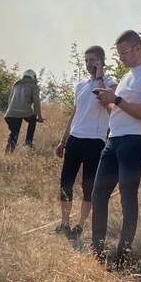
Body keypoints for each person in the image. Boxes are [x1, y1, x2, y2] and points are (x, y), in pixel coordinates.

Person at [90, 30, 141, 266]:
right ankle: (98, 252)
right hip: (114, 140)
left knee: (127, 198)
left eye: (124, 52)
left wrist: (117, 100)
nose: (121, 57)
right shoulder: (126, 77)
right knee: (98, 194)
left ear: (138, 48)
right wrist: (108, 100)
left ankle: (123, 255)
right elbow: (118, 109)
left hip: (134, 141)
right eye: (119, 53)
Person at [55, 46, 116, 238]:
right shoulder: (80, 85)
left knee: (88, 187)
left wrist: (99, 77)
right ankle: (65, 224)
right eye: (87, 60)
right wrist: (63, 141)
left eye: (93, 60)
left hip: (95, 141)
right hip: (75, 139)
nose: (89, 64)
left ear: (102, 61)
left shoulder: (111, 83)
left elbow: (108, 107)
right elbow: (75, 113)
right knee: (66, 183)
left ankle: (80, 226)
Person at [4, 69, 43, 152]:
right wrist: (39, 117)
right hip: (24, 112)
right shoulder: (33, 85)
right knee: (33, 120)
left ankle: (8, 155)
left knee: (14, 134)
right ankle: (28, 143)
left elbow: (10, 100)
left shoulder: (16, 84)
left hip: (10, 114)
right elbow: (36, 102)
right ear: (33, 76)